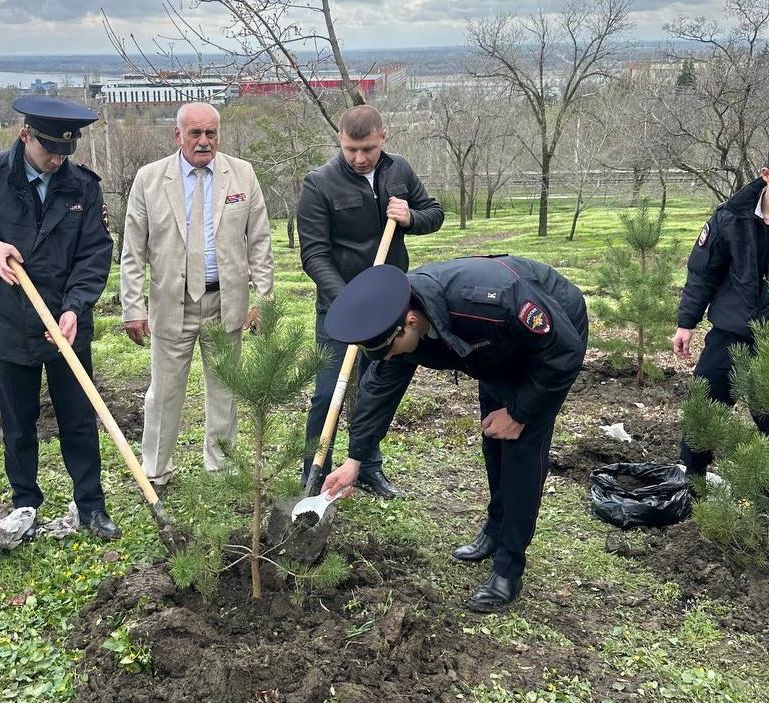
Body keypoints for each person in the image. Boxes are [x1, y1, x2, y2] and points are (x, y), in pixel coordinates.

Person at [320, 257, 588, 611]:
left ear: (410, 323)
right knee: (493, 438)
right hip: (493, 350)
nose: (391, 358)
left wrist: (521, 412)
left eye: (392, 350)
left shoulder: (492, 303)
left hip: (550, 338)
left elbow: (564, 351)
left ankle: (509, 567)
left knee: (520, 446)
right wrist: (356, 458)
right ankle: (495, 530)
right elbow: (380, 387)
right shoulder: (397, 316)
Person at [0, 95, 120, 541]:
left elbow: (95, 252)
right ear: (25, 135)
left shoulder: (83, 187)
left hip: (67, 322)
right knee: (18, 422)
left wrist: (75, 306)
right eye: (48, 149)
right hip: (9, 319)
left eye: (65, 152)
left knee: (78, 417)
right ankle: (25, 506)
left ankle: (91, 507)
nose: (56, 159)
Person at [120, 102, 274, 491]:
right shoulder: (150, 179)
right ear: (178, 136)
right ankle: (155, 471)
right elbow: (133, 250)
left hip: (226, 303)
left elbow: (259, 242)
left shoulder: (243, 175)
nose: (204, 142)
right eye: (195, 134)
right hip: (172, 305)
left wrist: (264, 298)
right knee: (164, 393)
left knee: (225, 391)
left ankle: (221, 470)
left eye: (211, 134)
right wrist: (132, 307)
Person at [298, 104, 444, 498]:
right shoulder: (320, 183)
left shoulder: (400, 171)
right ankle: (313, 475)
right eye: (350, 150)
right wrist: (350, 304)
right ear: (340, 143)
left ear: (383, 137)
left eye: (367, 149)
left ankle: (366, 467)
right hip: (340, 307)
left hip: (392, 308)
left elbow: (435, 214)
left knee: (373, 388)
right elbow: (313, 255)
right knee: (328, 393)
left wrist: (411, 216)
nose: (359, 158)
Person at [673, 166, 769, 482]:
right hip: (732, 330)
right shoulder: (730, 217)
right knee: (706, 401)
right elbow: (704, 272)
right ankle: (693, 477)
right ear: (766, 175)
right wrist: (686, 322)